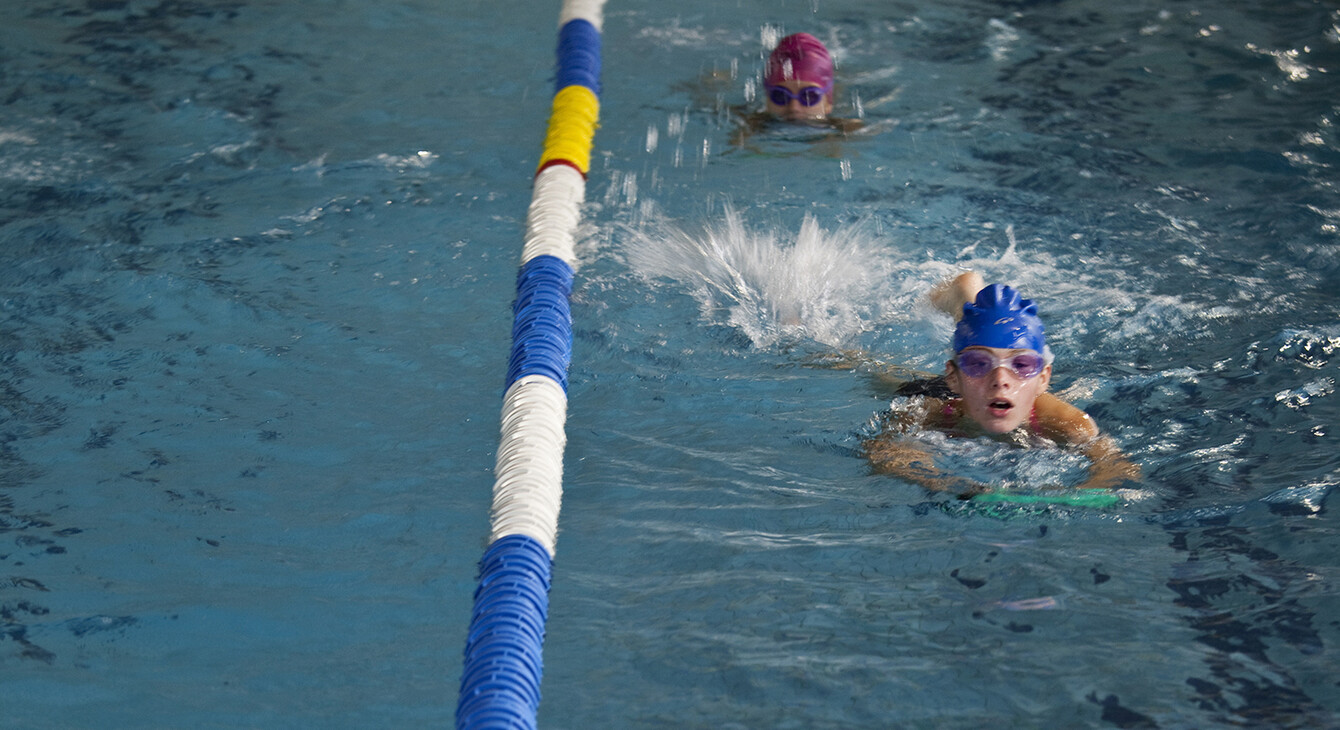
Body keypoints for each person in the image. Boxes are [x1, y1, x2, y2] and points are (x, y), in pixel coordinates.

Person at [864, 271, 1139, 496]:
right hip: (955, 395)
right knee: (871, 372)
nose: (1000, 381)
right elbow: (884, 453)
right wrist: (954, 485)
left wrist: (1062, 497)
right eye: (978, 364)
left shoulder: (1068, 422)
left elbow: (1118, 468)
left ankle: (969, 298)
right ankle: (966, 295)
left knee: (984, 339)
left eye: (1021, 365)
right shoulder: (932, 409)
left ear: (1043, 378)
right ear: (953, 376)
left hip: (986, 389)